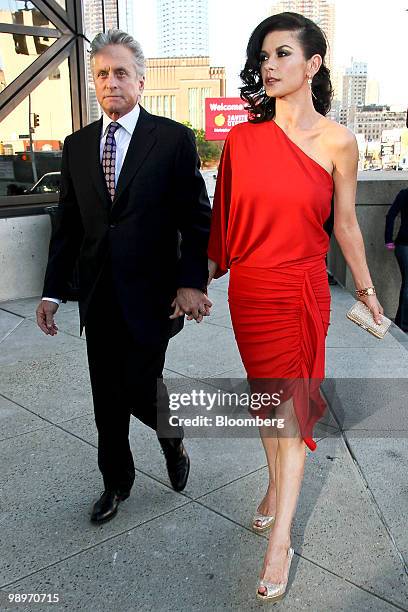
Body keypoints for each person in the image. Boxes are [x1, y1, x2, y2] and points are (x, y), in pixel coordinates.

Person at [207, 12, 384, 602]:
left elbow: (348, 226)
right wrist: (190, 280)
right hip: (251, 293)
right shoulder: (241, 140)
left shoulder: (339, 140)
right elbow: (223, 224)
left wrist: (367, 291)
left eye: (283, 54)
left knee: (292, 411)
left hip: (303, 291)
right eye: (264, 56)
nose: (270, 65)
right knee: (266, 406)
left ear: (313, 65)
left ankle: (280, 537)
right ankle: (274, 488)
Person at [36, 29, 212, 523]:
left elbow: (197, 219)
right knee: (104, 397)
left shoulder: (173, 139)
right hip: (98, 294)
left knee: (139, 384)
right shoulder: (75, 146)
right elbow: (68, 228)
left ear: (140, 79)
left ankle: (170, 437)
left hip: (153, 295)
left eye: (119, 72)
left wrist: (190, 282)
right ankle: (116, 483)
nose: (109, 82)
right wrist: (52, 292)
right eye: (100, 74)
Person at [385, 188, 408, 332]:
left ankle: (401, 321)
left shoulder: (404, 193)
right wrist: (388, 240)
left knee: (407, 283)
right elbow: (390, 216)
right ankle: (404, 324)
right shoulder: (404, 193)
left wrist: (388, 240)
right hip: (404, 244)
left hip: (403, 244)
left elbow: (391, 215)